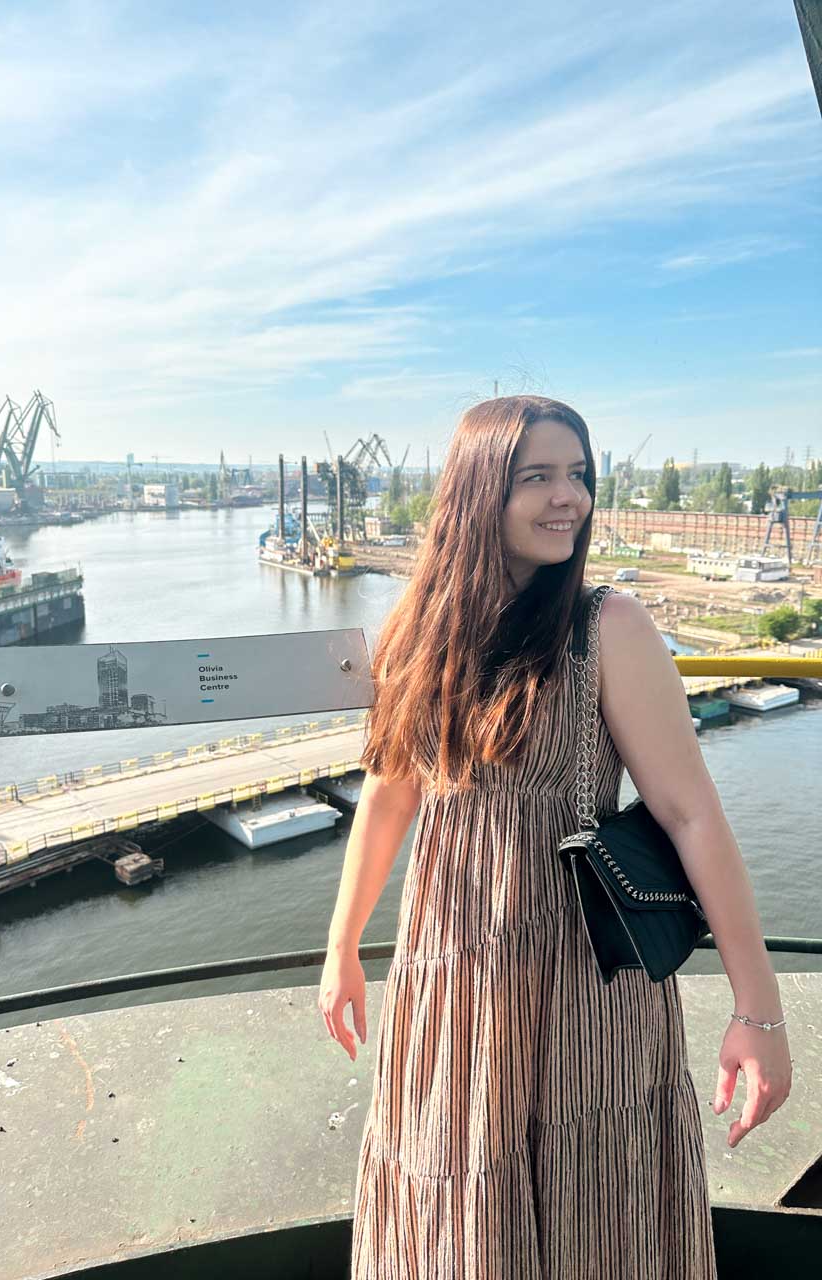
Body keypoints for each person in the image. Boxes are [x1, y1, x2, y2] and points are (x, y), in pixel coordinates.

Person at [319, 396, 792, 1278]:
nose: (567, 497)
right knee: (454, 1198)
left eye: (577, 474)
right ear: (476, 493)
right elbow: (389, 793)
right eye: (536, 476)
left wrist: (758, 1012)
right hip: (451, 969)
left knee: (593, 1210)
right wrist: (343, 945)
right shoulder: (424, 631)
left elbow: (692, 815)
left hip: (578, 971)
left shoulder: (609, 627)